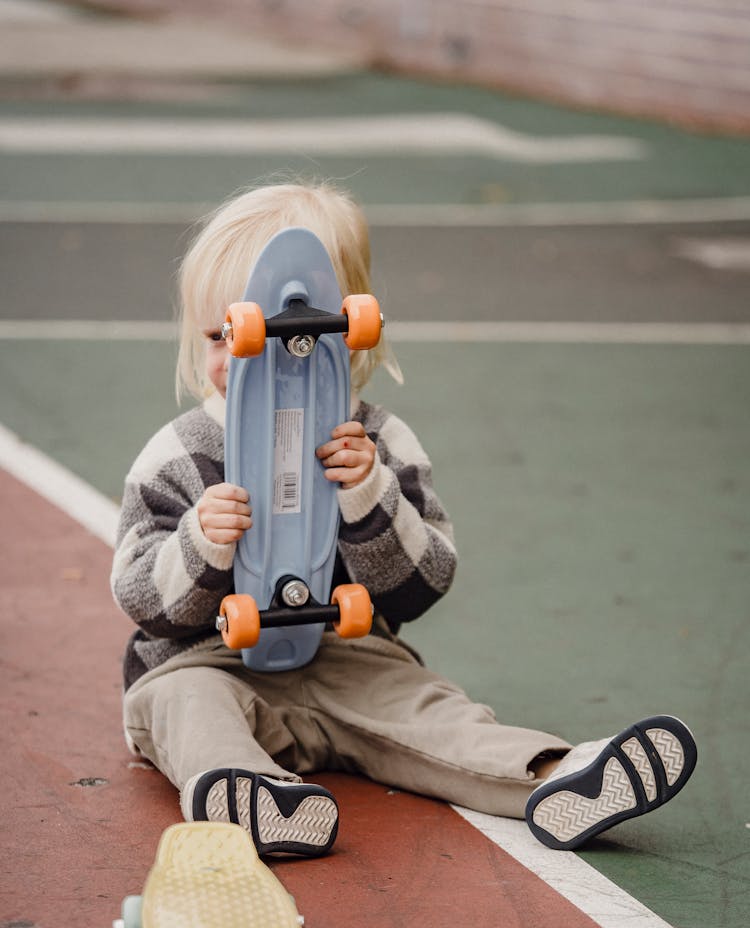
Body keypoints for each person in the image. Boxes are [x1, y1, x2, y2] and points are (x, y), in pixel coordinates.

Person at [110, 181, 697, 859]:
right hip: (205, 659)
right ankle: (245, 792)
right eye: (221, 335)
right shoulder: (180, 451)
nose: (244, 356)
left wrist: (368, 494)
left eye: (287, 338)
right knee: (186, 704)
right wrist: (199, 542)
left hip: (347, 658)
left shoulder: (378, 442)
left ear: (345, 326)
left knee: (429, 708)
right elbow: (140, 595)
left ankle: (557, 777)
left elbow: (424, 583)